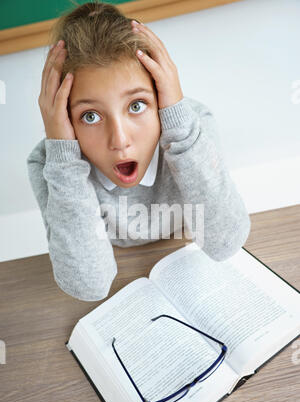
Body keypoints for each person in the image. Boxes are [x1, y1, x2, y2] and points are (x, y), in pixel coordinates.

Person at [27, 1, 251, 301]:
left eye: (136, 106)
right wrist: (64, 157)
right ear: (63, 118)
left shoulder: (189, 127)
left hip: (181, 257)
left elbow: (225, 243)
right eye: (90, 116)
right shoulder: (50, 162)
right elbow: (89, 286)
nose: (119, 140)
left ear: (161, 97)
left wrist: (179, 125)